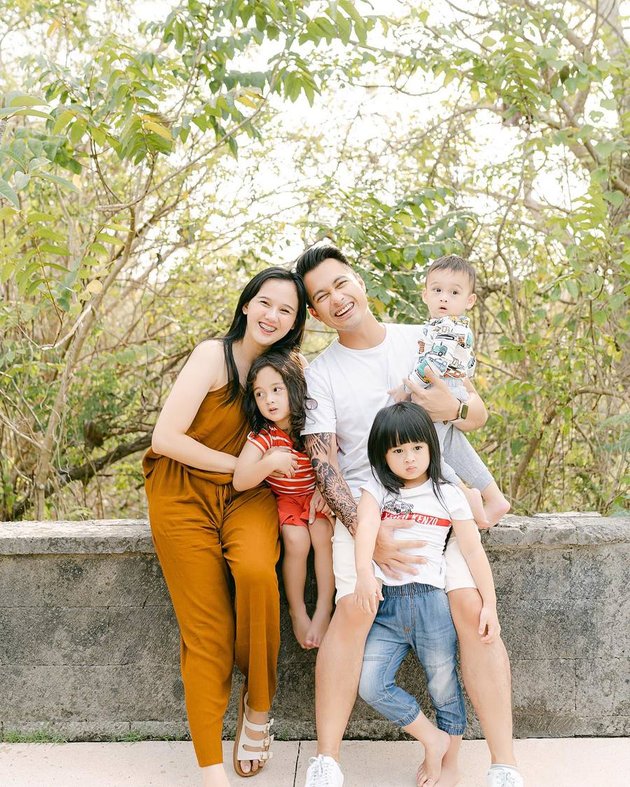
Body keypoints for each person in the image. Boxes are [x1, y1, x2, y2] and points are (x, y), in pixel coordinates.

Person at [295, 245, 523, 787]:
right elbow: (324, 464)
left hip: (436, 498)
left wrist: (454, 409)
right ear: (315, 313)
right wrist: (367, 538)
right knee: (355, 608)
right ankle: (328, 759)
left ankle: (504, 762)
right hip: (366, 507)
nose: (336, 298)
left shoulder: (422, 336)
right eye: (321, 296)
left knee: (472, 611)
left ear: (360, 280)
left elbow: (475, 413)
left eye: (340, 283)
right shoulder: (322, 374)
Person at [143, 267, 307, 787]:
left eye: (286, 310)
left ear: (296, 321)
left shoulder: (288, 370)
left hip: (250, 493)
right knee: (207, 629)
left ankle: (258, 707)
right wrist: (237, 467)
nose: (272, 316)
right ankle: (211, 768)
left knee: (259, 573)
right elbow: (165, 436)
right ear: (245, 305)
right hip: (184, 490)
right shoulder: (213, 355)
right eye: (264, 302)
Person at [354, 401, 500, 787]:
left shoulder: (447, 493)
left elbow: (472, 551)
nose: (409, 458)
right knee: (370, 683)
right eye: (398, 450)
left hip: (431, 603)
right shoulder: (376, 488)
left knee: (443, 685)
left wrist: (490, 606)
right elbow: (366, 527)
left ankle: (449, 761)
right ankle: (431, 738)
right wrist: (364, 576)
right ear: (383, 455)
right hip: (386, 607)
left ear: (431, 449)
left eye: (417, 447)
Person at [391, 255, 510, 526]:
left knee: (431, 454)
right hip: (453, 389)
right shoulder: (451, 328)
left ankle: (468, 498)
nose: (444, 298)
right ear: (425, 295)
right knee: (454, 447)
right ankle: (495, 498)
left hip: (440, 389)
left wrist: (406, 388)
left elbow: (432, 364)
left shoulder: (447, 328)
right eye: (437, 290)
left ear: (469, 300)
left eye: (454, 292)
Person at [233, 350, 335, 649]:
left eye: (277, 389)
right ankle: (297, 609)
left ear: (294, 386)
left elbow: (332, 458)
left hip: (316, 496)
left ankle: (325, 607)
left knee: (322, 536)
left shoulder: (313, 425)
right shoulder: (264, 437)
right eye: (260, 394)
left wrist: (323, 489)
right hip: (288, 501)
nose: (270, 400)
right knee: (296, 540)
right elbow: (240, 479)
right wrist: (269, 463)